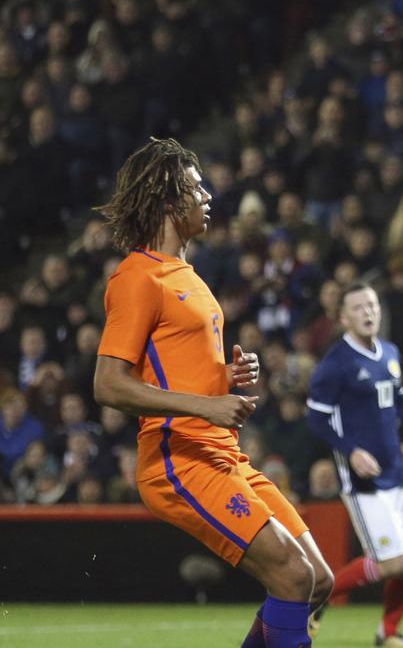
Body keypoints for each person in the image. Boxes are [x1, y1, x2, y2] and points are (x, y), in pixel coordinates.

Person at [92, 137, 333, 648]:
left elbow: (176, 369)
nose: (208, 197)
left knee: (316, 580)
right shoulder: (137, 277)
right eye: (196, 188)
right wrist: (207, 405)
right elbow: (108, 384)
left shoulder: (189, 276)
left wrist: (225, 376)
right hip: (178, 459)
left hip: (222, 453)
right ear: (167, 199)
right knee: (293, 575)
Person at [305, 283, 403, 648]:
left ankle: (388, 634)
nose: (367, 312)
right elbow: (316, 418)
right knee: (392, 562)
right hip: (364, 481)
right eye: (358, 307)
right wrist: (351, 451)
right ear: (343, 318)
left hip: (398, 472)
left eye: (371, 304)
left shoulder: (389, 352)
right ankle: (318, 596)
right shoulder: (335, 364)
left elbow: (400, 401)